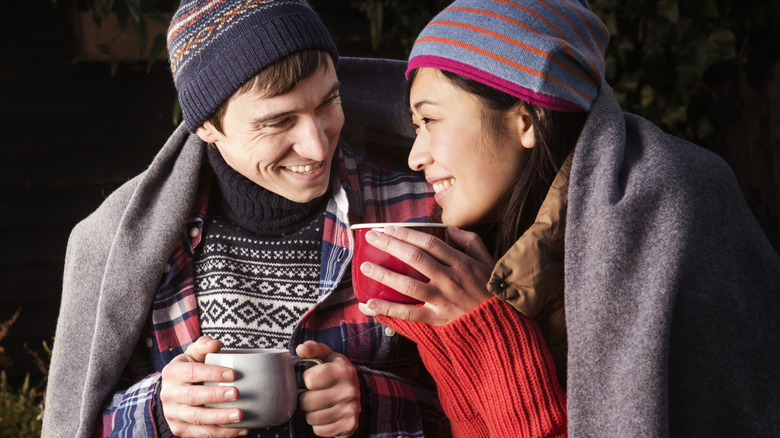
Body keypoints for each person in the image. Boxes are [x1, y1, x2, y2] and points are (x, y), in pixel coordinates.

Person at [358, 0, 780, 437]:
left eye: (429, 119)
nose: (415, 155)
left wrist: (492, 337)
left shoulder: (660, 206)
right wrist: (449, 338)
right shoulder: (492, 247)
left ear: (527, 120)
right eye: (414, 126)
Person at [41, 1, 450, 437]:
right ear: (206, 127)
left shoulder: (425, 209)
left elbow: (492, 406)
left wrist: (374, 403)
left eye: (328, 102)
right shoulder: (122, 244)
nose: (316, 147)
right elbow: (76, 423)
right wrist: (160, 414)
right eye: (278, 121)